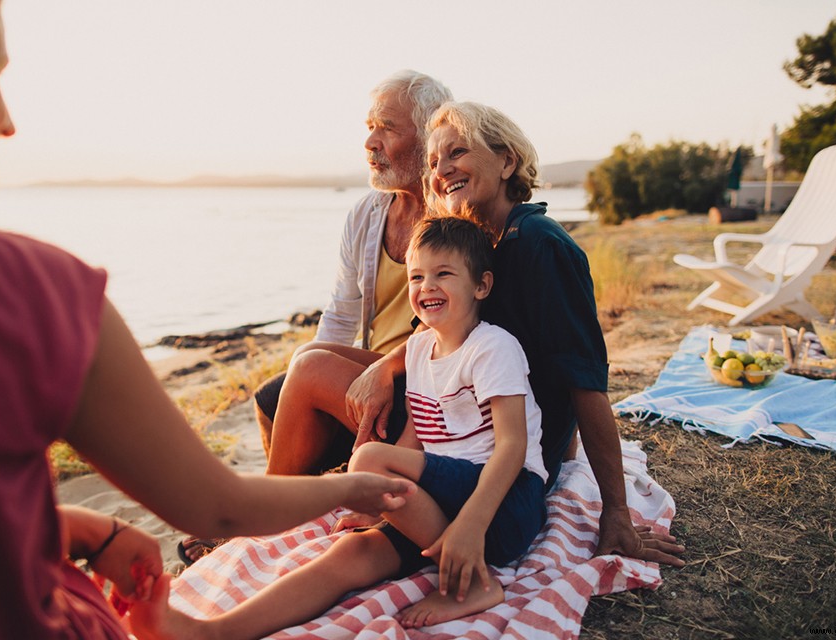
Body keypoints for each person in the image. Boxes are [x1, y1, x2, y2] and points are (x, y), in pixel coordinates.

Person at [0, 2, 414, 637]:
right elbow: (216, 505)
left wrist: (78, 526)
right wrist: (351, 490)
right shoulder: (28, 291)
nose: (7, 120)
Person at [265, 100, 686, 568]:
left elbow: (585, 383)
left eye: (457, 153)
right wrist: (387, 365)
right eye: (433, 162)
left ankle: (264, 518)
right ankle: (290, 499)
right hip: (456, 395)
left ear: (507, 161)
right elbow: (430, 337)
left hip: (486, 428)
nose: (441, 171)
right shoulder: (477, 237)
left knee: (309, 368)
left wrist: (617, 513)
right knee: (312, 353)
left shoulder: (541, 246)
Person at [130, 215, 550, 639]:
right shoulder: (421, 349)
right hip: (444, 509)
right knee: (353, 552)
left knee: (367, 457)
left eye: (444, 274)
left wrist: (470, 526)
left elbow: (513, 447)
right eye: (417, 276)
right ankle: (216, 631)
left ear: (481, 285)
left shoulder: (493, 347)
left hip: (504, 504)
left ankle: (475, 582)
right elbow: (417, 437)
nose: (427, 287)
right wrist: (380, 506)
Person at [179, 69, 453, 565]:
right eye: (369, 126)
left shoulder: (455, 216)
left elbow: (457, 330)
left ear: (431, 132)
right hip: (371, 370)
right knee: (279, 389)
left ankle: (254, 520)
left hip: (427, 378)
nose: (370, 142)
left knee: (307, 371)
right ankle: (293, 502)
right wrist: (303, 376)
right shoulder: (368, 215)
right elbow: (341, 314)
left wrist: (366, 370)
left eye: (387, 127)